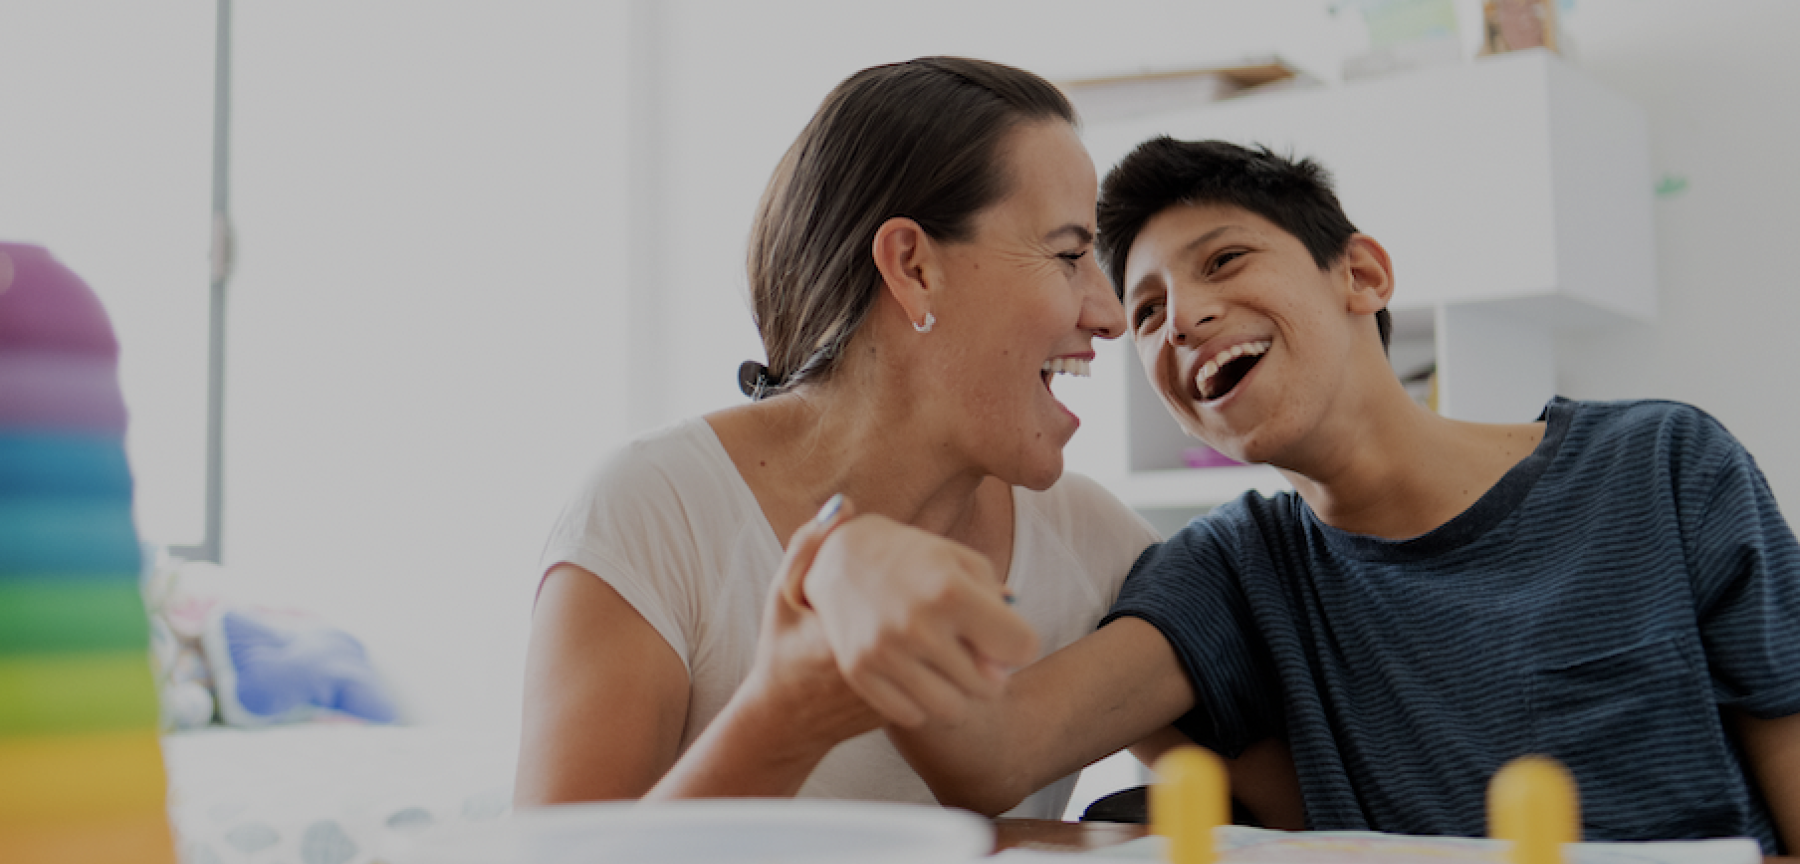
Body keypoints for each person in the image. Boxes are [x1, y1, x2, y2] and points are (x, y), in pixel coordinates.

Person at [799, 139, 1800, 854]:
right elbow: (993, 753)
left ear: (1359, 274)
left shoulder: (1664, 466)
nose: (1181, 319)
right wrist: (841, 564)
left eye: (1224, 261)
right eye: (1144, 315)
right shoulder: (1233, 570)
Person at [510, 56, 1161, 817]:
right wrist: (786, 716)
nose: (1111, 314)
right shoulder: (653, 512)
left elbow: (1267, 794)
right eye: (1068, 256)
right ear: (913, 267)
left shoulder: (1094, 545)